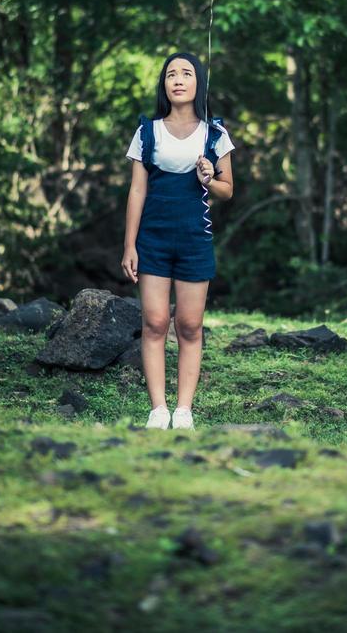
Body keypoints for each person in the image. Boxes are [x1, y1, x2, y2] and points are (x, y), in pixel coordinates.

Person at [121, 51, 235, 431]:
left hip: (194, 240)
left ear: (198, 83)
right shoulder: (147, 132)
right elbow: (137, 192)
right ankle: (158, 408)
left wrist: (208, 177)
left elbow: (227, 191)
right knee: (154, 322)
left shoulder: (215, 134)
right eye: (171, 74)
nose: (179, 79)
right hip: (152, 240)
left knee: (189, 325)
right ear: (164, 85)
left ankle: (184, 409)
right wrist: (129, 245)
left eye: (187, 73)